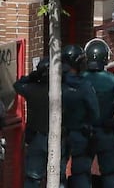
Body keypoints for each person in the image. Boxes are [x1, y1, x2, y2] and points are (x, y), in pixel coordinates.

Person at [13, 58, 67, 188]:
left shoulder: (31, 89)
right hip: (58, 137)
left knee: (33, 178)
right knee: (58, 177)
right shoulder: (64, 91)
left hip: (36, 138)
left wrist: (32, 76)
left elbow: (17, 85)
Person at [83, 38, 114, 188]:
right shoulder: (113, 80)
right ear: (105, 58)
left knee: (81, 174)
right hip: (106, 133)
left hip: (83, 133)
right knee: (109, 174)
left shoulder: (78, 80)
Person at [61, 44, 100, 188]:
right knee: (81, 174)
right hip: (80, 135)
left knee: (58, 173)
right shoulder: (84, 85)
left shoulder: (57, 84)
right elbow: (94, 112)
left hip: (60, 134)